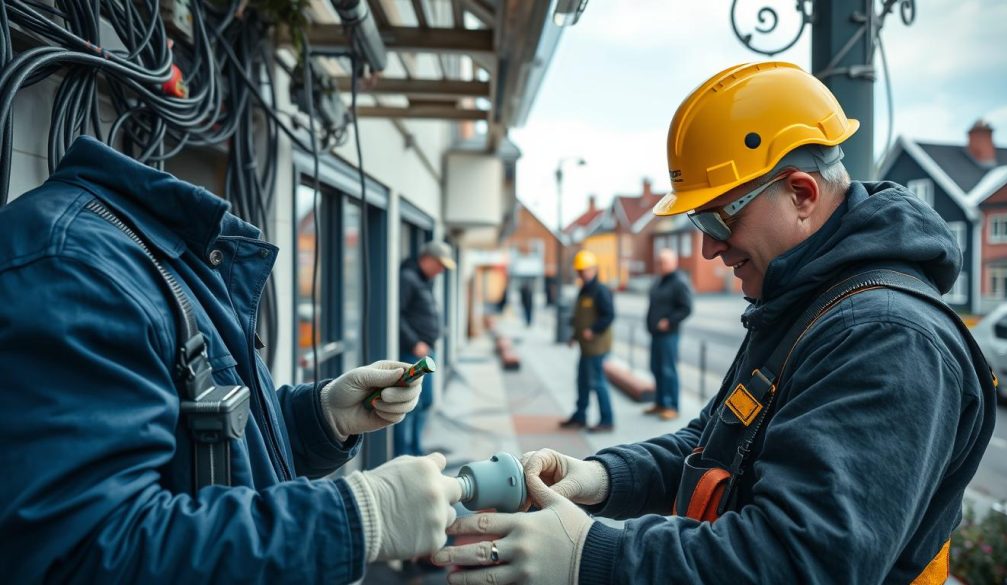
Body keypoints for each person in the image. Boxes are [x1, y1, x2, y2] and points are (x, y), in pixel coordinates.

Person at [432, 61, 995, 584]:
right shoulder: (806, 306)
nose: (708, 248)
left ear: (801, 193)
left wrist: (593, 555)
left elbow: (802, 561)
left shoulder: (887, 338)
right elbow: (715, 442)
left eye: (718, 216)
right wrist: (601, 479)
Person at [0, 137, 464, 583]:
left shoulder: (144, 257)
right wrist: (355, 518)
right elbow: (86, 555)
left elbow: (201, 448)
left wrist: (319, 417)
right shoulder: (73, 267)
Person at [394, 240, 455, 456]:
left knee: (425, 401)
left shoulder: (424, 280)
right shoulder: (408, 278)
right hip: (414, 353)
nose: (441, 271)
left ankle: (416, 450)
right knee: (409, 405)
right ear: (427, 259)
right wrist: (414, 342)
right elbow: (396, 315)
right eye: (439, 265)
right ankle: (404, 455)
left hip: (426, 351)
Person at [560, 250, 616, 433]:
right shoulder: (584, 290)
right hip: (585, 347)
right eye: (579, 271)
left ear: (593, 269)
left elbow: (609, 315)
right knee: (582, 382)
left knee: (598, 383)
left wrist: (593, 330)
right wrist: (574, 336)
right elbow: (580, 317)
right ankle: (580, 416)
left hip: (597, 346)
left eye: (584, 270)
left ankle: (607, 420)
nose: (581, 274)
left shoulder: (600, 290)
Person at [644, 249, 693, 420]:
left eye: (663, 262)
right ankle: (660, 403)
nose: (660, 265)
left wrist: (669, 321)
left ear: (674, 263)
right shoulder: (659, 281)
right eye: (658, 262)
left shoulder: (679, 282)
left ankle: (672, 406)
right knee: (656, 368)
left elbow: (686, 308)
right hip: (655, 334)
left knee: (668, 370)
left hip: (669, 335)